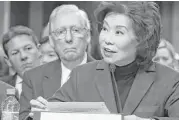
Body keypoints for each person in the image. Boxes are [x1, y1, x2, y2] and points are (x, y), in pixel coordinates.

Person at [30, 1, 179, 120]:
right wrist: (41, 112)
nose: (107, 39)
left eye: (119, 32)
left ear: (142, 40)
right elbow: (52, 111)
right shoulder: (81, 75)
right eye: (105, 29)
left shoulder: (170, 80)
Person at [19, 4, 94, 120]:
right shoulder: (33, 78)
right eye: (60, 32)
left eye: (75, 30)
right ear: (51, 41)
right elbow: (23, 117)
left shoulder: (109, 73)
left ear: (88, 36)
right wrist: (34, 117)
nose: (68, 38)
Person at [1, 25, 41, 98]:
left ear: (39, 50)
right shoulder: (2, 88)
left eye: (28, 48)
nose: (23, 56)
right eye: (15, 53)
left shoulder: (59, 82)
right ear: (8, 61)